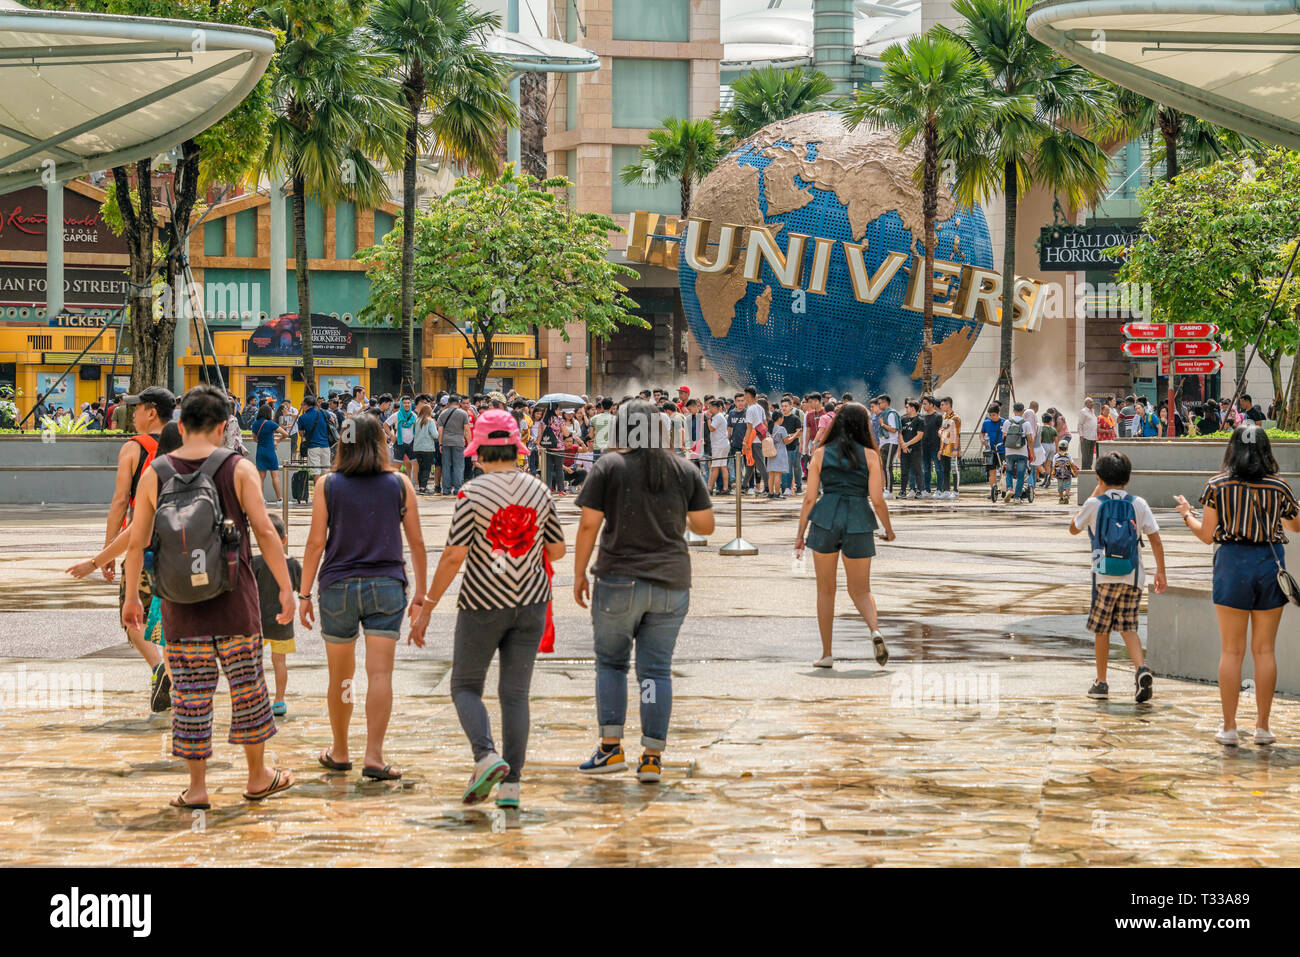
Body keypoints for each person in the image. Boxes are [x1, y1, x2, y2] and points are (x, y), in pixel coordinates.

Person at [121, 384, 297, 809]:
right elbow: (267, 531)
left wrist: (131, 598)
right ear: (222, 427)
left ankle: (197, 789)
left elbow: (136, 542)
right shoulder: (238, 468)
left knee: (191, 695)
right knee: (248, 688)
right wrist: (288, 588)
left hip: (181, 606)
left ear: (180, 426)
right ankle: (258, 776)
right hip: (235, 603)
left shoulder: (155, 473)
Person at [409, 411, 565, 809]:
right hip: (531, 603)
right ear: (516, 447)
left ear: (478, 451)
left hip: (481, 604)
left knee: (464, 687)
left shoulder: (471, 495)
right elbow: (558, 550)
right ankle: (511, 786)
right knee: (515, 695)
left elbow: (452, 556)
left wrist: (427, 606)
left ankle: (485, 755)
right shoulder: (539, 491)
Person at [573, 401, 715, 783]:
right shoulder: (683, 469)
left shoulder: (609, 466)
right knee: (655, 670)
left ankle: (610, 748)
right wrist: (670, 507)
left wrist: (578, 574)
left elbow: (588, 526)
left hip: (617, 580)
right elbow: (706, 526)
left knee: (612, 663)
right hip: (671, 584)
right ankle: (652, 758)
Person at [296, 413, 426, 780]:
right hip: (386, 584)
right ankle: (374, 755)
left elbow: (315, 543)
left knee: (342, 676)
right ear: (380, 441)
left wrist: (304, 593)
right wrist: (422, 593)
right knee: (380, 673)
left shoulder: (327, 484)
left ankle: (339, 751)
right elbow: (416, 542)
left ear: (344, 442)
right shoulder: (399, 484)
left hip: (337, 586)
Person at [1175, 425, 1300, 746]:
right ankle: (1263, 727)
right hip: (1269, 564)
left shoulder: (1217, 486)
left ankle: (1229, 728)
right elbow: (1295, 525)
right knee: (1265, 650)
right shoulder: (1279, 486)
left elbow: (1206, 535)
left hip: (1231, 564)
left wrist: (1187, 515)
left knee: (1232, 650)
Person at [795, 401, 895, 668]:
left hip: (826, 518)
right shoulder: (871, 456)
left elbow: (809, 498)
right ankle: (874, 630)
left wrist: (799, 534)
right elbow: (877, 499)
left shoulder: (820, 453)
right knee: (861, 590)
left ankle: (827, 653)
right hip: (858, 519)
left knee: (826, 590)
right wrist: (888, 528)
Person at [1069, 451, 1166, 703]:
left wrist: (1095, 492)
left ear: (1100, 477)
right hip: (1133, 576)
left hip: (1103, 575)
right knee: (1128, 625)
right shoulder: (1138, 503)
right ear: (1128, 478)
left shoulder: (1094, 504)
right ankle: (1141, 669)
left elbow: (1072, 528)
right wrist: (1161, 571)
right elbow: (1155, 538)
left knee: (1102, 629)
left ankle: (1101, 683)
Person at [103, 386, 176, 712]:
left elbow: (120, 501)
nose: (131, 413)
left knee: (131, 617)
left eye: (137, 408)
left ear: (152, 412)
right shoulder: (186, 445)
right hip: (179, 552)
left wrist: (107, 551)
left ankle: (159, 667)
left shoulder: (133, 448)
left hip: (142, 546)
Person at [254, 513, 301, 717]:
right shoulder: (292, 564)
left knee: (255, 661)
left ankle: (259, 698)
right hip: (283, 620)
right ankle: (279, 700)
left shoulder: (255, 562)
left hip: (258, 620)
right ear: (285, 539)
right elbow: (300, 588)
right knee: (279, 661)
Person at [252, 404, 288, 505]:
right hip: (270, 451)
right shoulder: (271, 424)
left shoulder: (255, 424)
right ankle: (280, 499)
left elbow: (254, 439)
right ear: (268, 413)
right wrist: (278, 440)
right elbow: (286, 434)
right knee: (275, 476)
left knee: (261, 477)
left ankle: (260, 499)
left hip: (260, 451)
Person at [438, 394, 470, 495]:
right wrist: (470, 444)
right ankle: (458, 489)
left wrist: (440, 444)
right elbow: (467, 430)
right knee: (459, 466)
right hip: (459, 442)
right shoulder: (463, 414)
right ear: (459, 403)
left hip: (446, 442)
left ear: (448, 403)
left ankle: (446, 489)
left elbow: (440, 431)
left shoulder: (442, 414)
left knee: (446, 465)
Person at [1001, 402, 1033, 503]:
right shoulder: (1026, 423)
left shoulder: (1007, 422)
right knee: (1020, 475)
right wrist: (1032, 452)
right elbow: (1030, 439)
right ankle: (1017, 497)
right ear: (1023, 411)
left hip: (1009, 452)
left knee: (1009, 472)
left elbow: (1003, 437)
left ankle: (1009, 489)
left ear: (1013, 411)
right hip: (1022, 452)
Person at [296, 395, 333, 476]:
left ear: (306, 405)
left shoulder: (302, 418)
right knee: (326, 472)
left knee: (316, 472)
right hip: (326, 446)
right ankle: (325, 488)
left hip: (313, 447)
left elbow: (301, 434)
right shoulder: (323, 412)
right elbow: (332, 421)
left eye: (302, 404)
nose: (301, 406)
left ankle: (318, 488)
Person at [874, 394, 900, 498]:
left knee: (888, 466)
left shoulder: (891, 414)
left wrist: (883, 425)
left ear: (885, 403)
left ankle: (889, 491)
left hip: (891, 443)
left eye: (880, 403)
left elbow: (894, 429)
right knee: (884, 467)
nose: (879, 405)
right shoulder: (884, 414)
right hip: (885, 443)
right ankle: (886, 489)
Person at [897, 399, 923, 499]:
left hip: (915, 450)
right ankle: (902, 491)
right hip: (904, 450)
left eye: (907, 407)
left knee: (917, 470)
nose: (906, 409)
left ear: (913, 408)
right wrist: (902, 446)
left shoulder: (920, 420)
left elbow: (919, 436)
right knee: (904, 471)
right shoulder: (903, 419)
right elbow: (899, 433)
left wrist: (907, 444)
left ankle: (919, 491)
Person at [979, 403, 1005, 503]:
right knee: (991, 472)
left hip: (1002, 450)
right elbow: (982, 433)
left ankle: (1004, 488)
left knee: (1004, 470)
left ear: (999, 413)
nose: (992, 417)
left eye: (994, 415)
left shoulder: (1004, 422)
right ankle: (993, 490)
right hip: (990, 451)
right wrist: (982, 439)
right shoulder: (986, 423)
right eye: (990, 415)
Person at [937, 396, 962, 499]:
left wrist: (955, 449)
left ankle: (955, 490)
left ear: (948, 405)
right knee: (945, 470)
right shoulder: (944, 417)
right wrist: (940, 450)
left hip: (952, 448)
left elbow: (956, 435)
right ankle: (946, 490)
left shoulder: (955, 418)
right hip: (944, 448)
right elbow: (941, 432)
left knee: (954, 469)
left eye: (943, 404)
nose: (941, 406)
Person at [412, 401, 439, 494]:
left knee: (421, 468)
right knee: (426, 469)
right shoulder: (430, 421)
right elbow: (435, 435)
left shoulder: (417, 420)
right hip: (427, 448)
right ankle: (423, 488)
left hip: (417, 448)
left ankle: (420, 487)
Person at [386, 393, 417, 474]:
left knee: (413, 465)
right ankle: (395, 485)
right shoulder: (396, 415)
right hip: (399, 443)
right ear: (401, 404)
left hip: (411, 443)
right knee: (397, 466)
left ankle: (412, 484)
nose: (407, 404)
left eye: (408, 403)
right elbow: (385, 424)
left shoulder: (414, 415)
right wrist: (391, 435)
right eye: (404, 403)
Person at [919, 395, 942, 497]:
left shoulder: (938, 417)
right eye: (923, 404)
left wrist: (941, 448)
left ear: (932, 405)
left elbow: (942, 433)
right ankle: (927, 490)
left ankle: (939, 489)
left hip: (935, 447)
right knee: (926, 469)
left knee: (938, 468)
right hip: (924, 447)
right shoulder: (922, 417)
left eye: (925, 404)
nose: (924, 406)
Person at [708, 398, 731, 495]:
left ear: (717, 408)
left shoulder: (717, 416)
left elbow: (711, 428)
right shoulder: (720, 416)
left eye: (711, 408)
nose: (709, 410)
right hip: (723, 444)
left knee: (715, 467)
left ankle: (709, 488)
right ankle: (725, 488)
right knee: (722, 466)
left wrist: (708, 419)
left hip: (719, 445)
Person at [765, 407, 789, 498]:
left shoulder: (770, 428)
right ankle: (777, 493)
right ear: (780, 418)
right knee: (778, 474)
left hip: (770, 452)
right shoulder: (781, 429)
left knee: (771, 474)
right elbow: (786, 441)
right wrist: (795, 436)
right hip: (779, 453)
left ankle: (771, 493)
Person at [1052, 438, 1078, 504]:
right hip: (1067, 473)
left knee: (1060, 486)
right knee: (1067, 485)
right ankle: (1066, 495)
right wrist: (1075, 471)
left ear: (1059, 447)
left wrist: (1052, 474)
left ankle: (1061, 498)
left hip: (1059, 474)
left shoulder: (1056, 456)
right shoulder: (1068, 455)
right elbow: (1072, 464)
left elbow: (1053, 465)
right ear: (1067, 448)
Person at [1078, 398, 1098, 471]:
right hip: (1086, 436)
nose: (1092, 403)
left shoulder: (1092, 411)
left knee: (1091, 456)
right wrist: (1081, 435)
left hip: (1093, 437)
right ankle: (1084, 471)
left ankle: (1089, 470)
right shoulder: (1083, 411)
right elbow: (1080, 424)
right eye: (1090, 402)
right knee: (1085, 456)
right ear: (1086, 403)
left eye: (1092, 402)